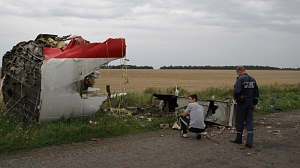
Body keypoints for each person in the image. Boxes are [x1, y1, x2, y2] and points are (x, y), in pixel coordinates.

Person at [230, 66, 259, 148]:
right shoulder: (253, 79)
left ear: (239, 72)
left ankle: (238, 139)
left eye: (238, 73)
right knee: (249, 122)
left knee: (239, 120)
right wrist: (254, 103)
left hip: (242, 103)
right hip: (250, 103)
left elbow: (237, 91)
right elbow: (256, 93)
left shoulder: (240, 79)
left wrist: (235, 96)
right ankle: (250, 141)